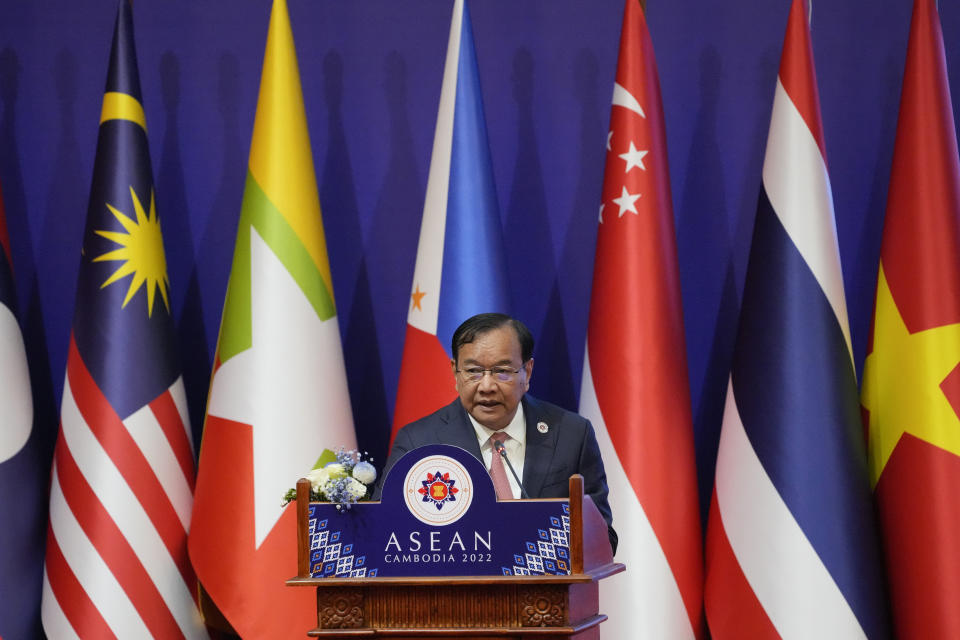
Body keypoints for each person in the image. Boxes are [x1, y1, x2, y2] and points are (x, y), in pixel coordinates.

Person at [380, 312, 617, 555]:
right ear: (455, 372)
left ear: (528, 372)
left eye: (502, 371)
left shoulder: (572, 435)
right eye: (473, 371)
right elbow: (385, 534)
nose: (487, 387)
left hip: (543, 590)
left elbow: (604, 539)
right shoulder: (418, 442)